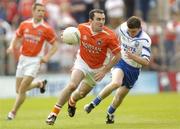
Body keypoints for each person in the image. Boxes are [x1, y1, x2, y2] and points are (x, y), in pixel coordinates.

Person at [46, 9, 121, 125]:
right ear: (90, 20)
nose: (101, 22)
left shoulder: (110, 36)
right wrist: (65, 35)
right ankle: (53, 114)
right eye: (98, 19)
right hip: (82, 62)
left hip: (97, 69)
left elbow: (118, 55)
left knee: (81, 94)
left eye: (103, 19)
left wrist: (104, 71)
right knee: (72, 85)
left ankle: (72, 101)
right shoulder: (81, 28)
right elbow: (70, 34)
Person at [84, 16, 151, 124]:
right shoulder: (123, 27)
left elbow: (146, 62)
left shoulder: (145, 40)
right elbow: (112, 36)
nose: (131, 34)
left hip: (134, 69)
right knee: (116, 83)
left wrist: (133, 57)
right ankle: (92, 104)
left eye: (133, 32)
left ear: (140, 28)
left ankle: (110, 113)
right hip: (121, 61)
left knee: (119, 97)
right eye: (129, 31)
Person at [6, 2, 58, 120]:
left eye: (43, 11)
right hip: (22, 59)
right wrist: (11, 46)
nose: (41, 13)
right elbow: (17, 36)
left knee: (23, 87)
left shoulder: (46, 28)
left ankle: (13, 112)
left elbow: (55, 45)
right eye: (38, 10)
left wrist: (47, 57)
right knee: (18, 89)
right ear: (33, 11)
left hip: (35, 61)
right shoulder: (25, 24)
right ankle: (39, 84)